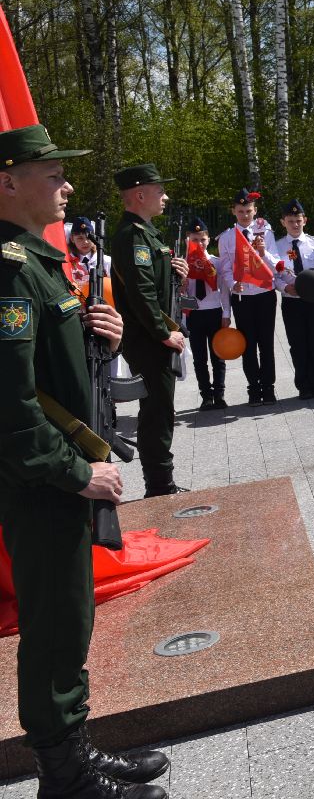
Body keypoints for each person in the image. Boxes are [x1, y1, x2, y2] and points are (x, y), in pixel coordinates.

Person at [0, 126, 174, 799]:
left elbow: (51, 361)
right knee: (52, 625)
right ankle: (65, 775)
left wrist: (101, 327)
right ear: (8, 182)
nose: (66, 185)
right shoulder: (9, 271)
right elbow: (11, 413)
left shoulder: (36, 264)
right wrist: (78, 474)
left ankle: (77, 751)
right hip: (43, 483)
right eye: (52, 174)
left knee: (69, 616)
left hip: (58, 479)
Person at [109, 163, 187, 496]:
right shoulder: (133, 236)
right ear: (140, 195)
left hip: (153, 336)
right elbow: (140, 294)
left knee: (161, 408)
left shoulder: (147, 233)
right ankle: (159, 484)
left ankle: (161, 479)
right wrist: (162, 332)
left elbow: (153, 285)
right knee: (156, 410)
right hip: (147, 339)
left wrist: (175, 272)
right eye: (159, 191)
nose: (165, 197)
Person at [217, 188, 282, 405]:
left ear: (255, 210)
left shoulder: (266, 233)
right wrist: (232, 284)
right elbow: (225, 268)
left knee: (266, 343)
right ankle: (253, 388)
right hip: (242, 296)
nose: (245, 215)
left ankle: (269, 387)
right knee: (248, 343)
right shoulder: (227, 237)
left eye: (248, 210)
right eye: (241, 211)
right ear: (233, 212)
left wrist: (264, 253)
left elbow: (276, 265)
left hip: (264, 293)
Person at [275, 199, 314, 400]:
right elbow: (275, 275)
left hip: (313, 302)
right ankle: (303, 386)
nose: (295, 224)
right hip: (291, 301)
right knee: (297, 343)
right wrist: (285, 287)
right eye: (290, 221)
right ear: (283, 222)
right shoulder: (278, 246)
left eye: (298, 220)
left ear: (305, 220)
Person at [180, 216, 229, 411]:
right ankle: (206, 396)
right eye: (194, 239)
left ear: (208, 240)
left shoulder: (216, 263)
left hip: (215, 312)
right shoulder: (183, 264)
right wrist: (181, 286)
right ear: (188, 240)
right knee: (200, 358)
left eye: (202, 239)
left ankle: (219, 395)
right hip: (195, 315)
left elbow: (225, 291)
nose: (199, 243)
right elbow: (180, 294)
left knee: (218, 356)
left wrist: (227, 315)